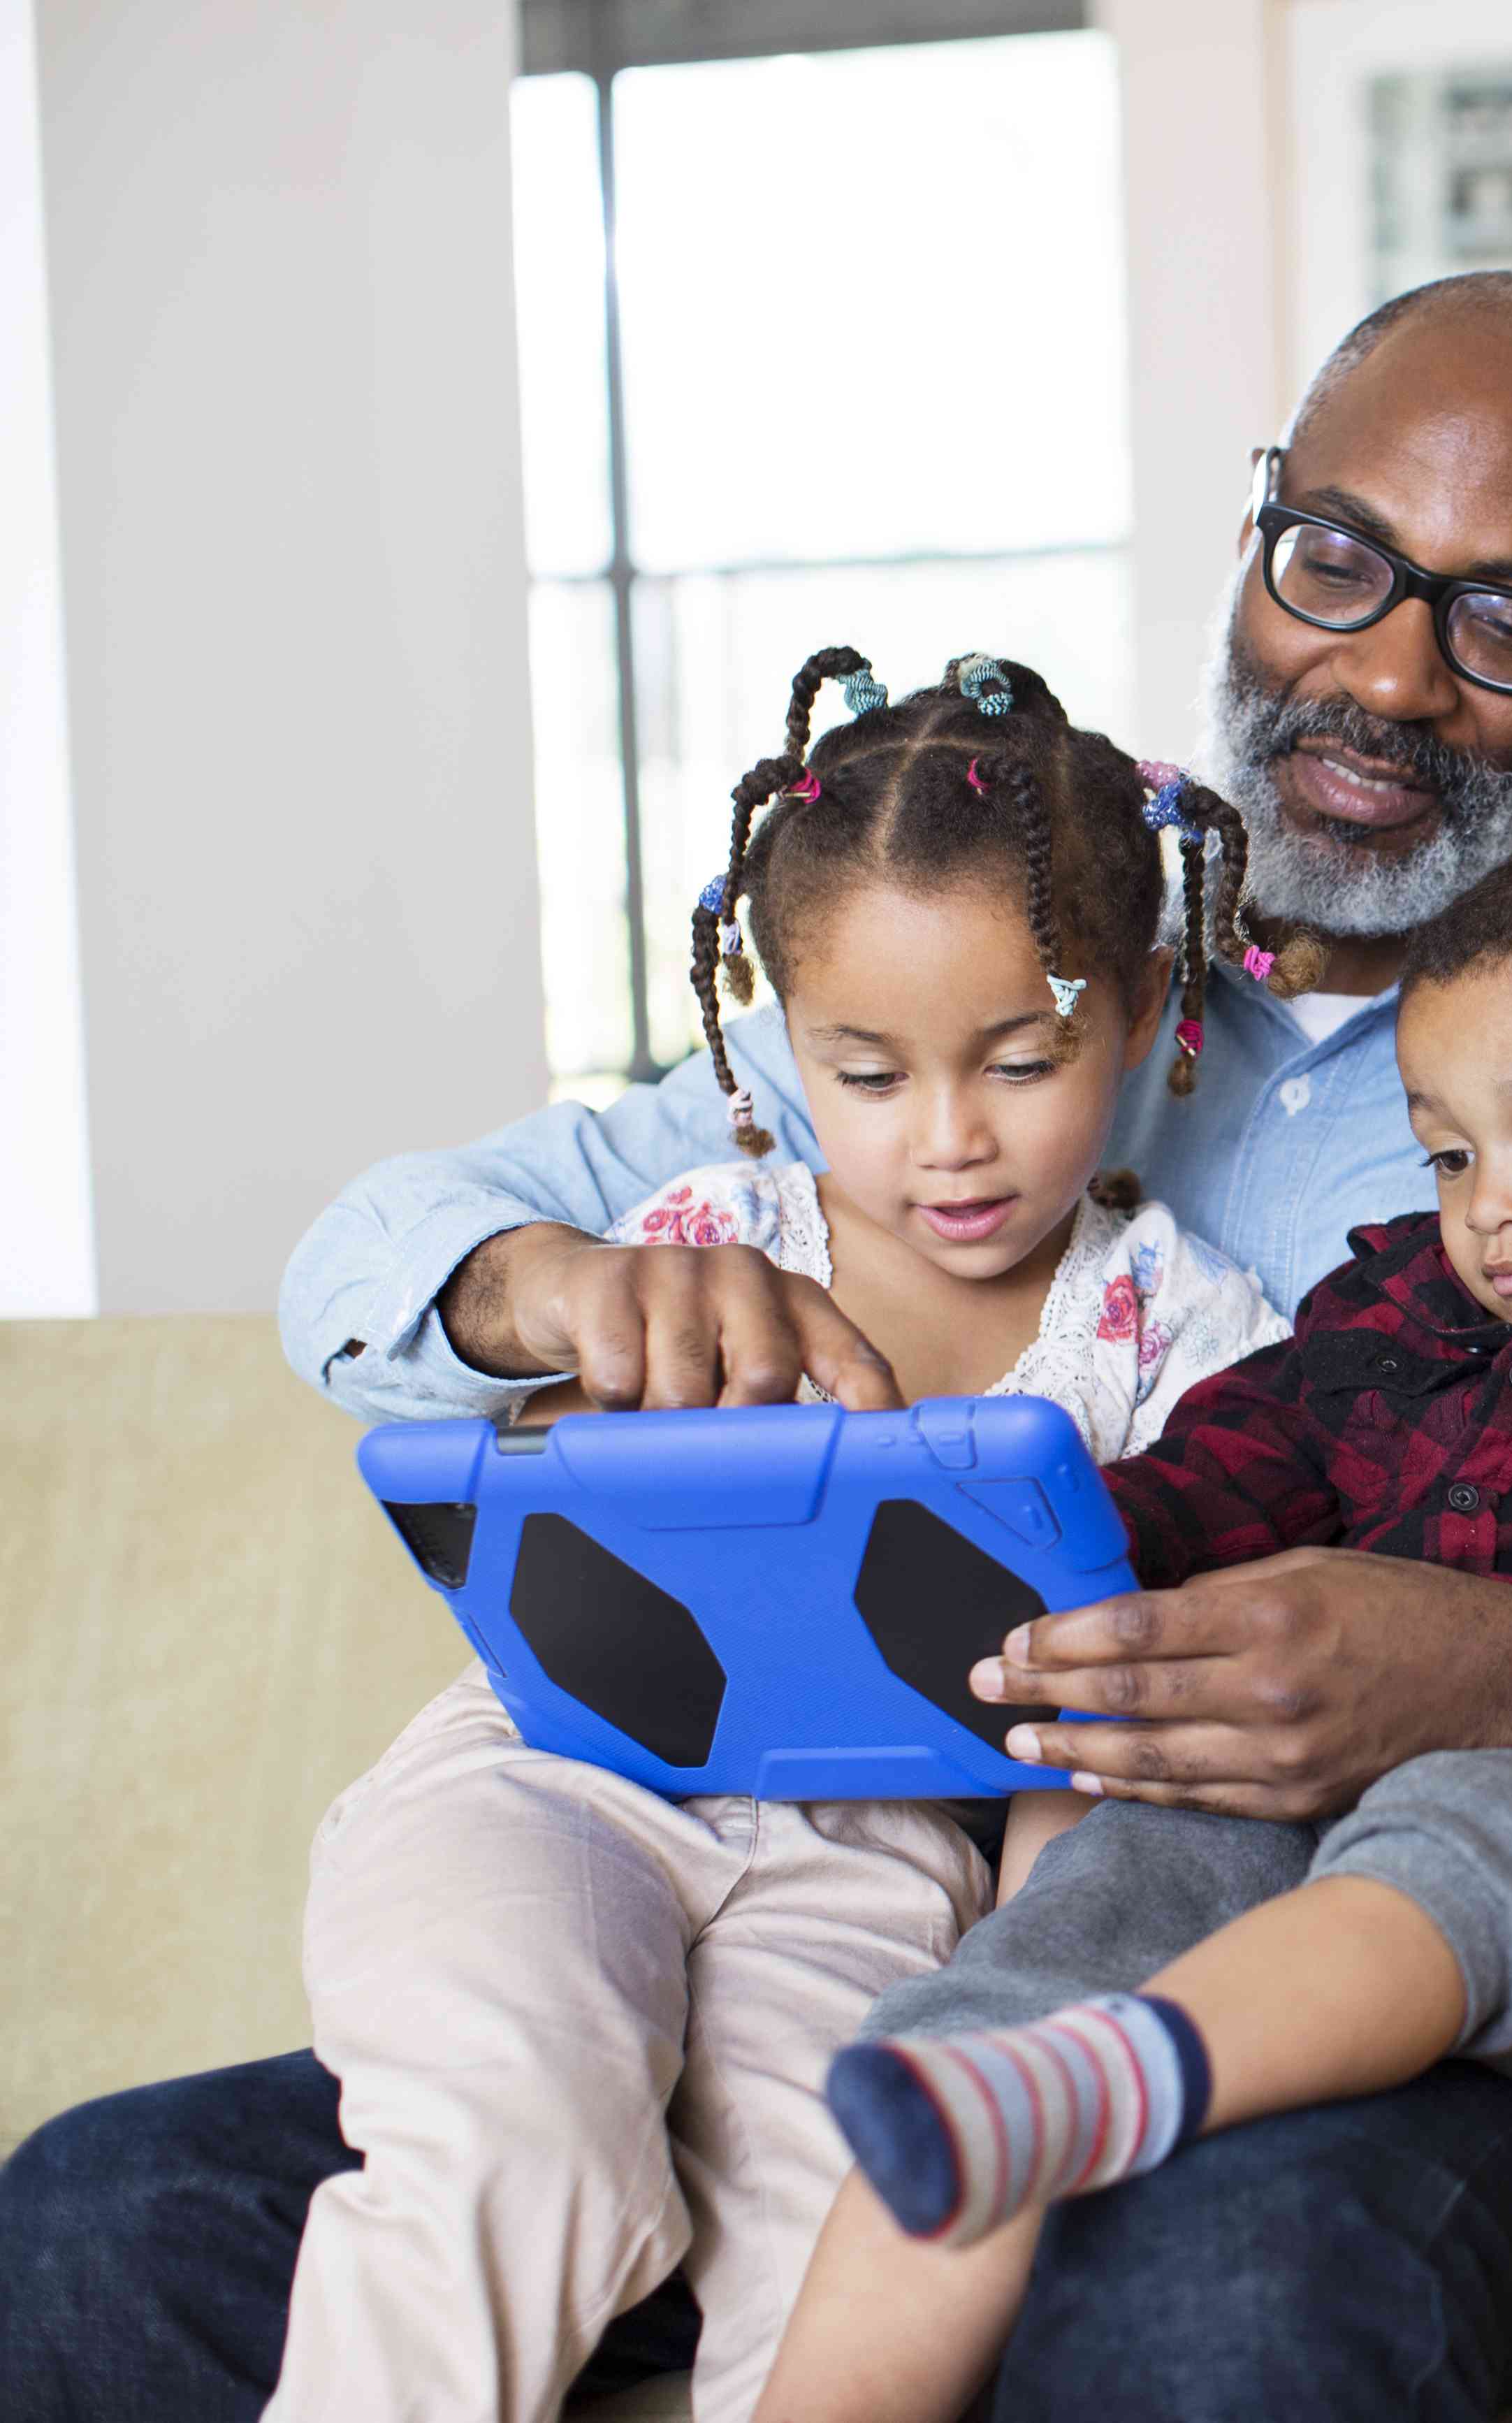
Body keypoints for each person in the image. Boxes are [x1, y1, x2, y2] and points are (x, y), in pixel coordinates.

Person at [0, 271, 1512, 2423]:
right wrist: (545, 1290)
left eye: (1505, 624)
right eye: (1337, 561)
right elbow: (375, 1265)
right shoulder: (1001, 941)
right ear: (1258, 532)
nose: (1384, 671)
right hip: (816, 1924)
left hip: (1420, 2004)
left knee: (1205, 2303)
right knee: (100, 2221)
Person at [762, 813, 1512, 2423]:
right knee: (1113, 1877)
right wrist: (993, 1558)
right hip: (1297, 1820)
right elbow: (1210, 1480)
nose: (1489, 1208)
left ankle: (1123, 2082)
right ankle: (991, 2088)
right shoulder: (1393, 1318)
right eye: (1447, 1153)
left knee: (1492, 1810)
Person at [275, 646, 1294, 2423]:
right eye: (867, 1072)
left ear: (1139, 1006)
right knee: (512, 2142)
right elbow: (561, 1521)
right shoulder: (704, 1237)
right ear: (776, 1031)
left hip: (883, 1857)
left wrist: (1037, 1966)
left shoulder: (1191, 1341)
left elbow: (1119, 1728)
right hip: (556, 1770)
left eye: (1024, 1058)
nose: (950, 1141)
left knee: (851, 2246)